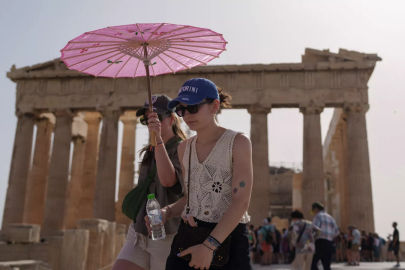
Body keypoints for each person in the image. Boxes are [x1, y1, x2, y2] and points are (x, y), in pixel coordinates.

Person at [152, 78, 253, 270]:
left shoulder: (238, 143)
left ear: (214, 105)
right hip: (189, 235)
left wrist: (209, 246)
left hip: (228, 239)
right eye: (181, 110)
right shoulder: (184, 148)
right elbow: (193, 197)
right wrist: (167, 211)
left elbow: (241, 202)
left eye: (193, 107)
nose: (187, 115)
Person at [113, 95, 187, 270]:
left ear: (171, 119)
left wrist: (159, 139)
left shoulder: (182, 148)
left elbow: (169, 182)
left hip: (167, 234)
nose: (151, 122)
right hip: (139, 231)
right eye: (146, 119)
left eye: (157, 117)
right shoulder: (149, 151)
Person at [311, 202, 339, 270]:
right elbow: (337, 232)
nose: (313, 212)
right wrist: (330, 237)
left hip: (320, 242)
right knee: (327, 265)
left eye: (313, 210)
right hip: (329, 243)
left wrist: (311, 239)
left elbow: (314, 229)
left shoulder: (318, 216)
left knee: (311, 263)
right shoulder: (331, 217)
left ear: (316, 208)